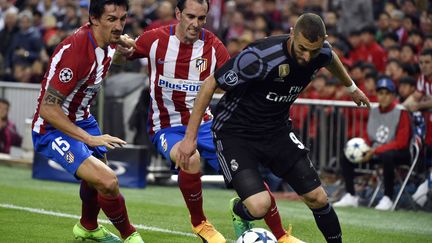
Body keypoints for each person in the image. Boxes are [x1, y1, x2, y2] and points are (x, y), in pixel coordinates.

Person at [177, 13, 370, 243]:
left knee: (318, 197)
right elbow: (210, 84)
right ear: (291, 33)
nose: (308, 57)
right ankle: (240, 211)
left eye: (314, 50)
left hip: (276, 131)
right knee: (259, 206)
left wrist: (352, 88)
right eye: (302, 49)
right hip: (235, 133)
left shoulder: (321, 52)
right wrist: (190, 138)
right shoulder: (260, 57)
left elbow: (330, 57)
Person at [114, 0, 232, 242]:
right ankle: (200, 224)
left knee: (243, 165)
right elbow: (120, 59)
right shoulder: (155, 39)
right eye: (190, 16)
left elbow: (234, 81)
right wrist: (119, 48)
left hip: (205, 125)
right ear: (178, 14)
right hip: (166, 127)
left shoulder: (213, 45)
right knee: (190, 158)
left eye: (201, 18)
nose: (195, 24)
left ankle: (243, 212)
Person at [31, 1, 144, 242]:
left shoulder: (109, 41)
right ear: (93, 18)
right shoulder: (77, 51)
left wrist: (126, 53)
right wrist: (89, 139)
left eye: (122, 19)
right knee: (108, 180)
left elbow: (115, 58)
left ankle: (88, 227)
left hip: (83, 118)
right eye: (111, 19)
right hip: (51, 127)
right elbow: (48, 109)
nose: (119, 25)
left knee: (98, 181)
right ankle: (130, 235)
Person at [334, 78, 412, 210]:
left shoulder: (401, 111)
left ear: (393, 95)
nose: (383, 96)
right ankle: (351, 195)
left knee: (388, 156)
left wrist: (374, 151)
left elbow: (401, 142)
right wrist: (364, 147)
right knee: (346, 155)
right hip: (376, 151)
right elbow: (368, 136)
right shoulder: (374, 110)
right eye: (380, 93)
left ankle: (388, 198)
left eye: (387, 93)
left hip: (399, 153)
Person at [403, 48, 432, 208]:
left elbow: (417, 102)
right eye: (421, 63)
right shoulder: (422, 79)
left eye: (427, 62)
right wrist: (400, 108)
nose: (423, 66)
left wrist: (419, 105)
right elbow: (412, 99)